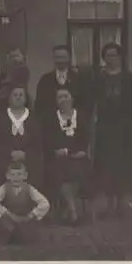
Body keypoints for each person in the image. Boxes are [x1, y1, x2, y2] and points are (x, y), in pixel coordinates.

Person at [93, 42, 132, 218]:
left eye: (114, 55)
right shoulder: (99, 79)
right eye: (107, 55)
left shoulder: (128, 78)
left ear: (120, 57)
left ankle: (122, 203)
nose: (111, 59)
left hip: (124, 129)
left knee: (123, 165)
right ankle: (108, 205)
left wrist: (125, 111)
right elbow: (94, 101)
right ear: (103, 58)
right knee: (106, 165)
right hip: (105, 128)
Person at [43, 88, 92, 225]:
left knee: (77, 170)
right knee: (58, 172)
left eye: (66, 96)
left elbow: (85, 139)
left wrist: (72, 151)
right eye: (59, 97)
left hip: (78, 157)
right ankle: (72, 210)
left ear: (72, 99)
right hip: (58, 159)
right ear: (56, 102)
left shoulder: (80, 117)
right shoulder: (51, 119)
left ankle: (69, 209)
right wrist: (59, 151)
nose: (63, 99)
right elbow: (48, 140)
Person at [0, 85, 43, 191]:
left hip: (29, 159)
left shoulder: (35, 119)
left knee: (36, 168)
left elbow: (39, 143)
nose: (18, 97)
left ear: (25, 98)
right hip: (5, 158)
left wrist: (25, 154)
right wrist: (10, 153)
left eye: (21, 95)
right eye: (15, 95)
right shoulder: (0, 118)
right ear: (9, 98)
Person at [0, 161, 50, 244]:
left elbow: (45, 203)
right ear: (7, 176)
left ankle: (22, 236)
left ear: (25, 176)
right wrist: (7, 213)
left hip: (25, 218)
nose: (16, 178)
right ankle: (11, 235)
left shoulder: (29, 188)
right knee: (6, 228)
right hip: (9, 218)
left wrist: (31, 215)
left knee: (29, 234)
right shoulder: (4, 188)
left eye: (19, 174)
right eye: (12, 175)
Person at [35, 45, 92, 120]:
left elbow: (86, 104)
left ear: (69, 58)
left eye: (63, 57)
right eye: (57, 57)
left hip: (75, 123)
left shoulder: (80, 79)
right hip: (50, 123)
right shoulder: (45, 80)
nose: (60, 60)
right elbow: (39, 105)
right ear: (53, 59)